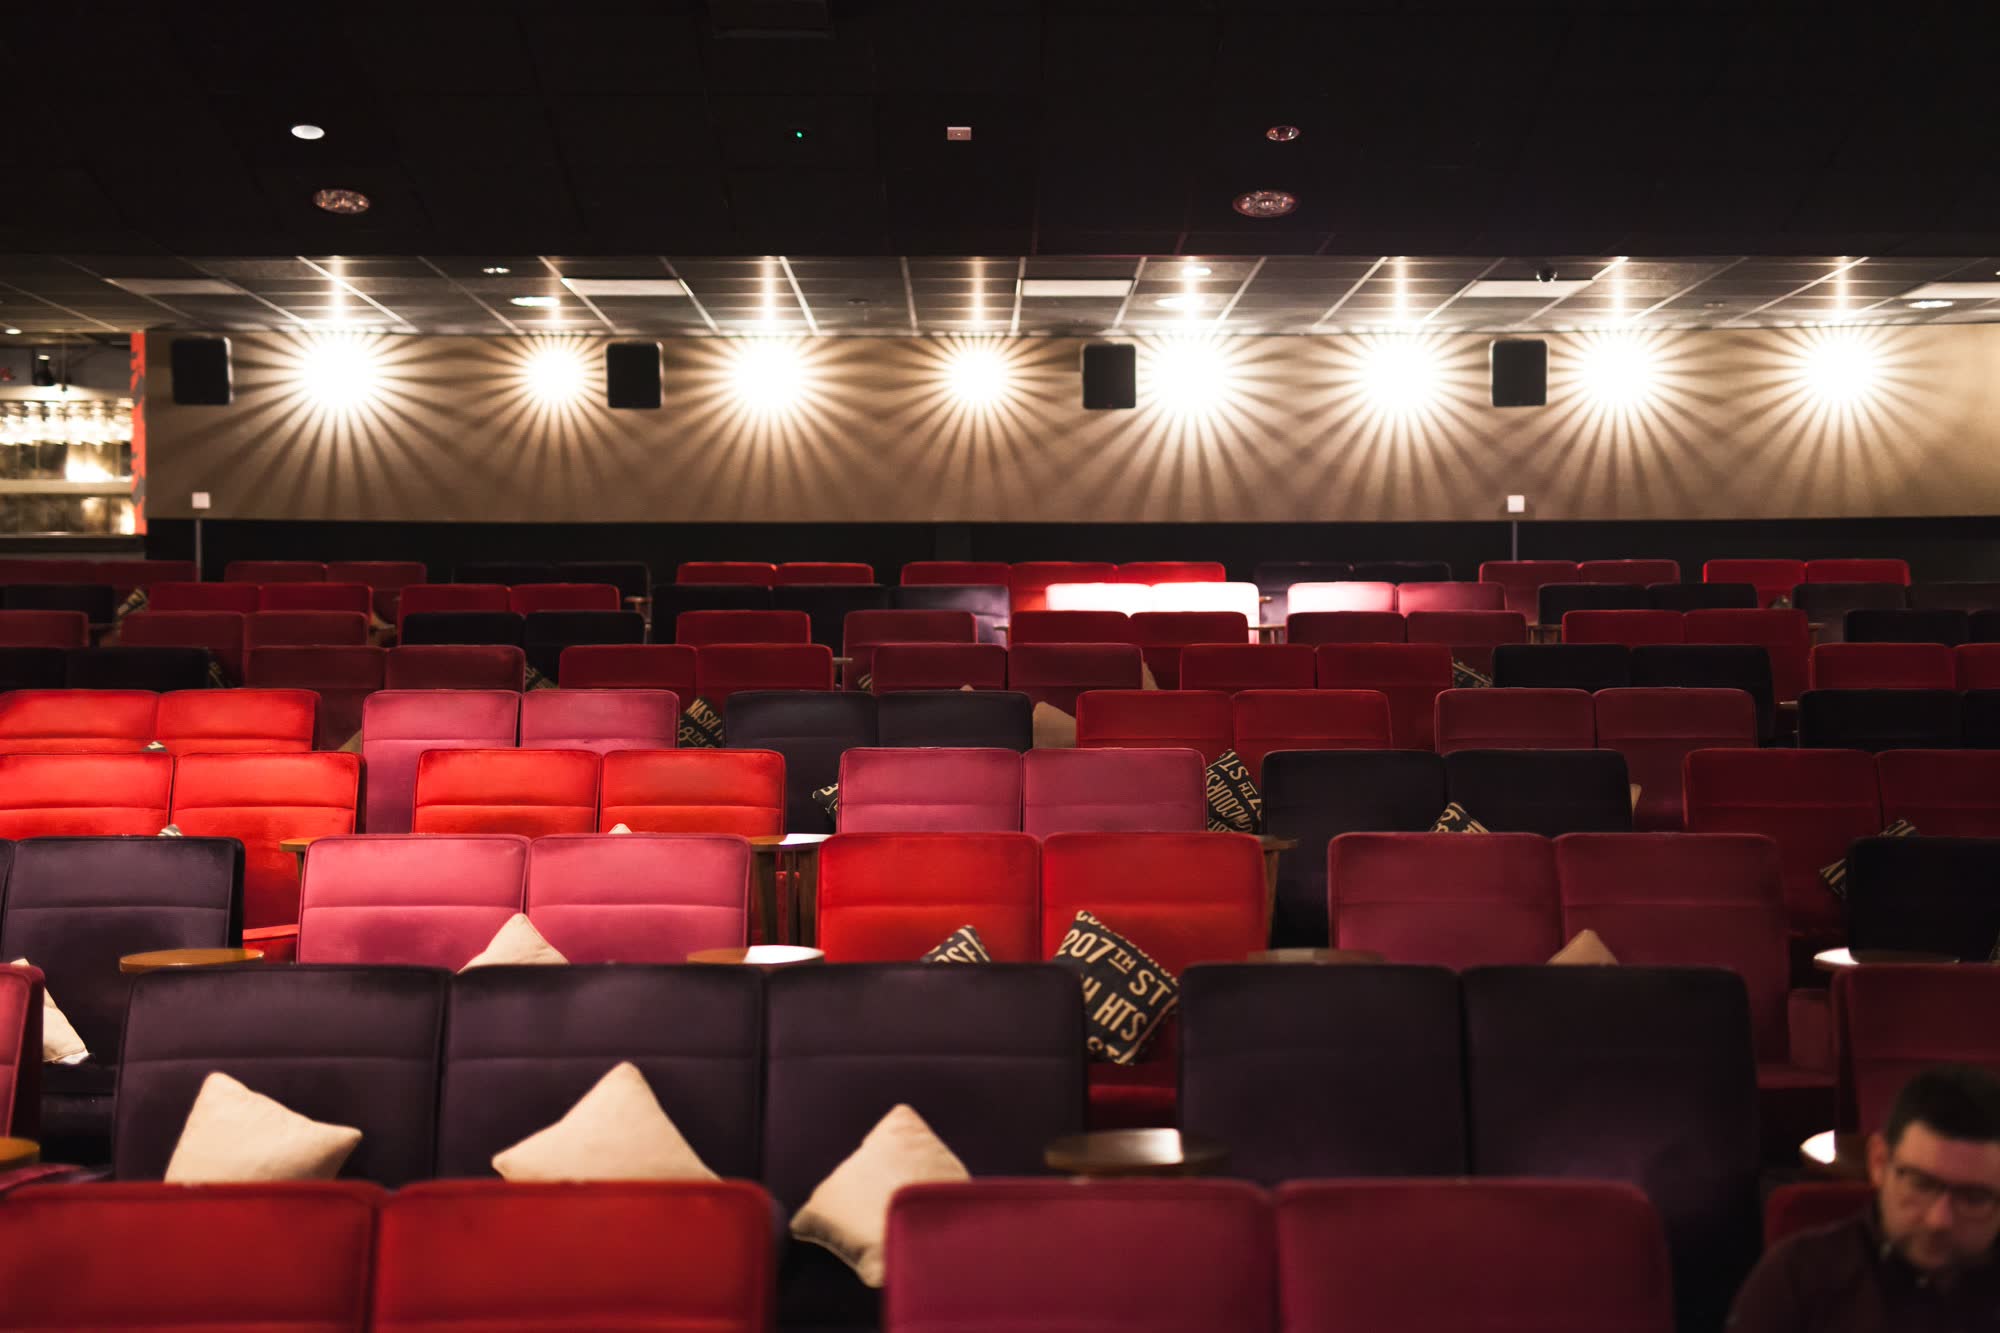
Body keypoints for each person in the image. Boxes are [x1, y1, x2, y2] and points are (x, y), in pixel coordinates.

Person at [1729, 1064, 2000, 1330]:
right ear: (1879, 1162)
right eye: (1921, 1184)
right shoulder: (1797, 1277)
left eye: (1974, 1197)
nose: (1938, 1220)